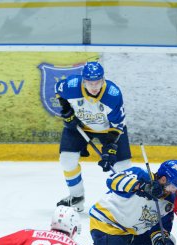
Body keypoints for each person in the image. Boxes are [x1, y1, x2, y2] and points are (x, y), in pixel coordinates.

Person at [54, 61, 132, 212]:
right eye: (90, 83)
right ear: (83, 81)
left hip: (109, 129)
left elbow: (117, 125)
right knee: (67, 160)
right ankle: (76, 197)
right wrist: (67, 110)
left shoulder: (113, 94)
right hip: (80, 127)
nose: (94, 87)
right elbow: (58, 91)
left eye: (98, 82)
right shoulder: (71, 85)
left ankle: (124, 202)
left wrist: (110, 147)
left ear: (103, 80)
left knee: (123, 168)